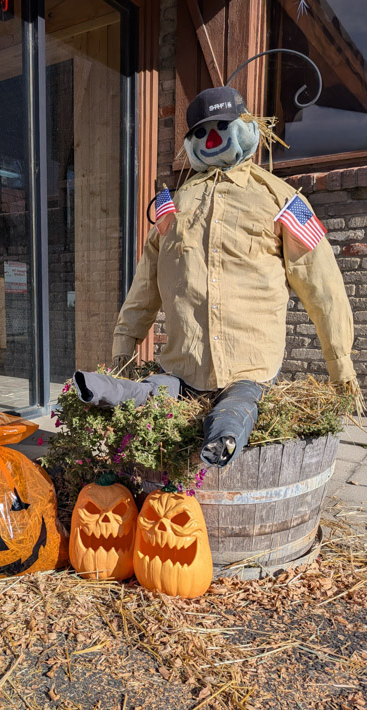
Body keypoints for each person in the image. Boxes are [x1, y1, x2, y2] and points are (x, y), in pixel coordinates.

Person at [111, 86, 358, 466]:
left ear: (246, 127)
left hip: (250, 368)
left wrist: (340, 366)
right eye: (200, 132)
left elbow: (322, 286)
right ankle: (106, 390)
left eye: (222, 126)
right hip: (183, 366)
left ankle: (226, 432)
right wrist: (123, 348)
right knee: (153, 392)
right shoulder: (171, 208)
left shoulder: (284, 201)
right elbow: (145, 285)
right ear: (190, 144)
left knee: (238, 404)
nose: (211, 138)